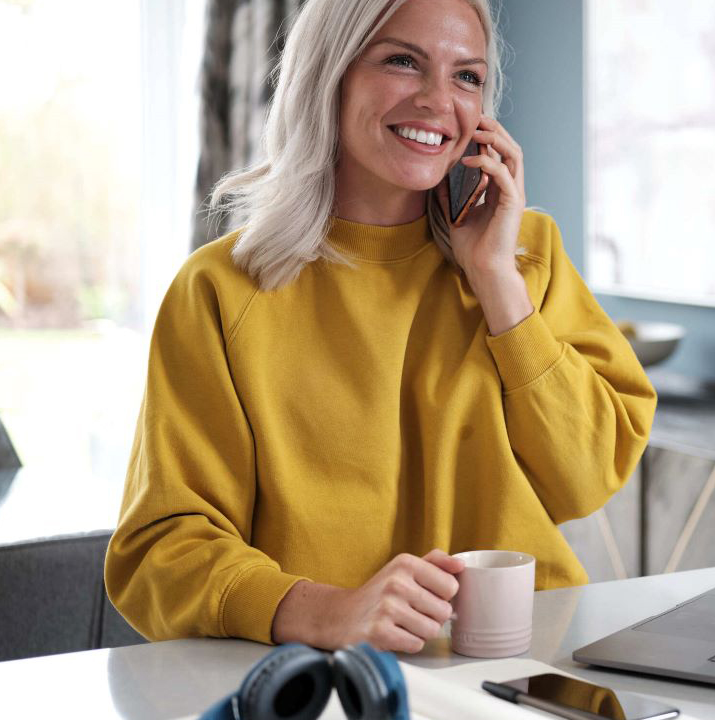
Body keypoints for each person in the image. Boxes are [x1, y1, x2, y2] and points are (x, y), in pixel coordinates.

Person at [104, 0, 656, 654]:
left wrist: (498, 282)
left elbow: (589, 476)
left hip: (527, 673)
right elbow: (159, 551)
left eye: (467, 77)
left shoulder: (524, 255)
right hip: (331, 683)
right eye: (402, 61)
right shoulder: (222, 291)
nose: (437, 101)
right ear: (329, 74)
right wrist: (327, 611)